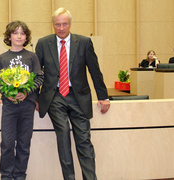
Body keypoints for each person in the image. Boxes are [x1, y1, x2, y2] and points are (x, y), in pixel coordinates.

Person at [35, 7, 110, 180]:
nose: (61, 28)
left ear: (70, 24)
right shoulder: (43, 43)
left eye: (65, 24)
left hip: (78, 97)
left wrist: (103, 96)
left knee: (84, 140)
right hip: (55, 97)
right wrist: (35, 98)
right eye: (57, 25)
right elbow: (36, 74)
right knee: (63, 138)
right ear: (53, 25)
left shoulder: (84, 42)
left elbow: (94, 71)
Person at [0, 20, 44, 180]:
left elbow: (39, 78)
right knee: (7, 143)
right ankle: (6, 176)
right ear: (9, 36)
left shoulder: (32, 56)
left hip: (27, 106)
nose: (19, 36)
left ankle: (20, 175)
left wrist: (27, 93)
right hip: (9, 107)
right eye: (15, 33)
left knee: (23, 143)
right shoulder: (2, 58)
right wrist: (6, 93)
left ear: (26, 37)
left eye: (22, 33)